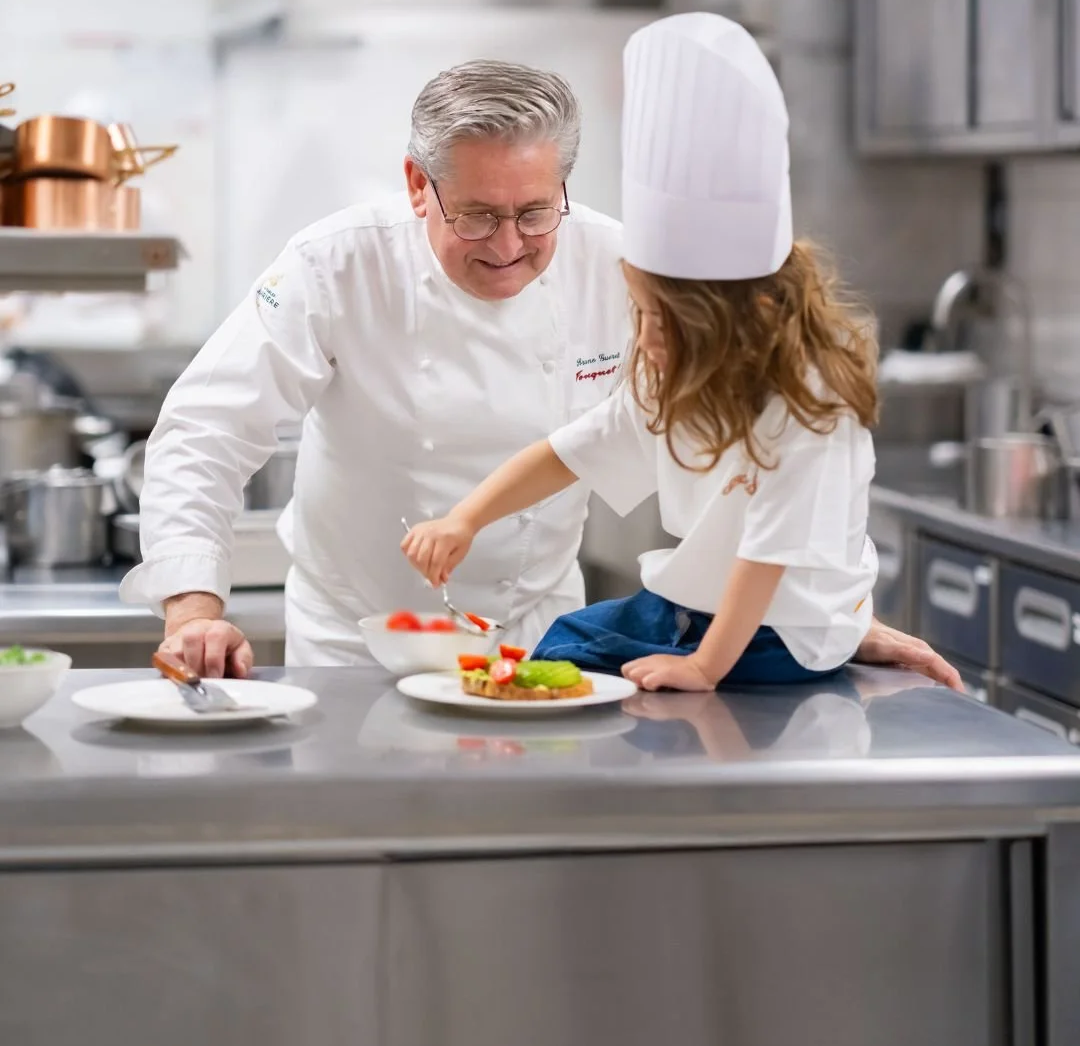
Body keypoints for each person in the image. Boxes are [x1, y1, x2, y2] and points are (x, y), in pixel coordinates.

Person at [123, 52, 961, 690]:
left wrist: (816, 618)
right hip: (360, 639)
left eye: (534, 211)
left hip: (543, 629)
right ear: (418, 186)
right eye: (479, 214)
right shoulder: (336, 264)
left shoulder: (628, 268)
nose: (510, 244)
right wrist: (195, 604)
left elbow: (755, 456)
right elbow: (207, 429)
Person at [402, 12, 911, 694]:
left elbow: (768, 557)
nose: (645, 340)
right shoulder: (676, 376)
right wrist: (466, 517)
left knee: (609, 682)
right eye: (642, 314)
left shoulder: (809, 404)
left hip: (782, 629)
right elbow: (567, 452)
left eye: (665, 325)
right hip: (690, 606)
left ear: (744, 316)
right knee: (563, 645)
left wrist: (702, 668)